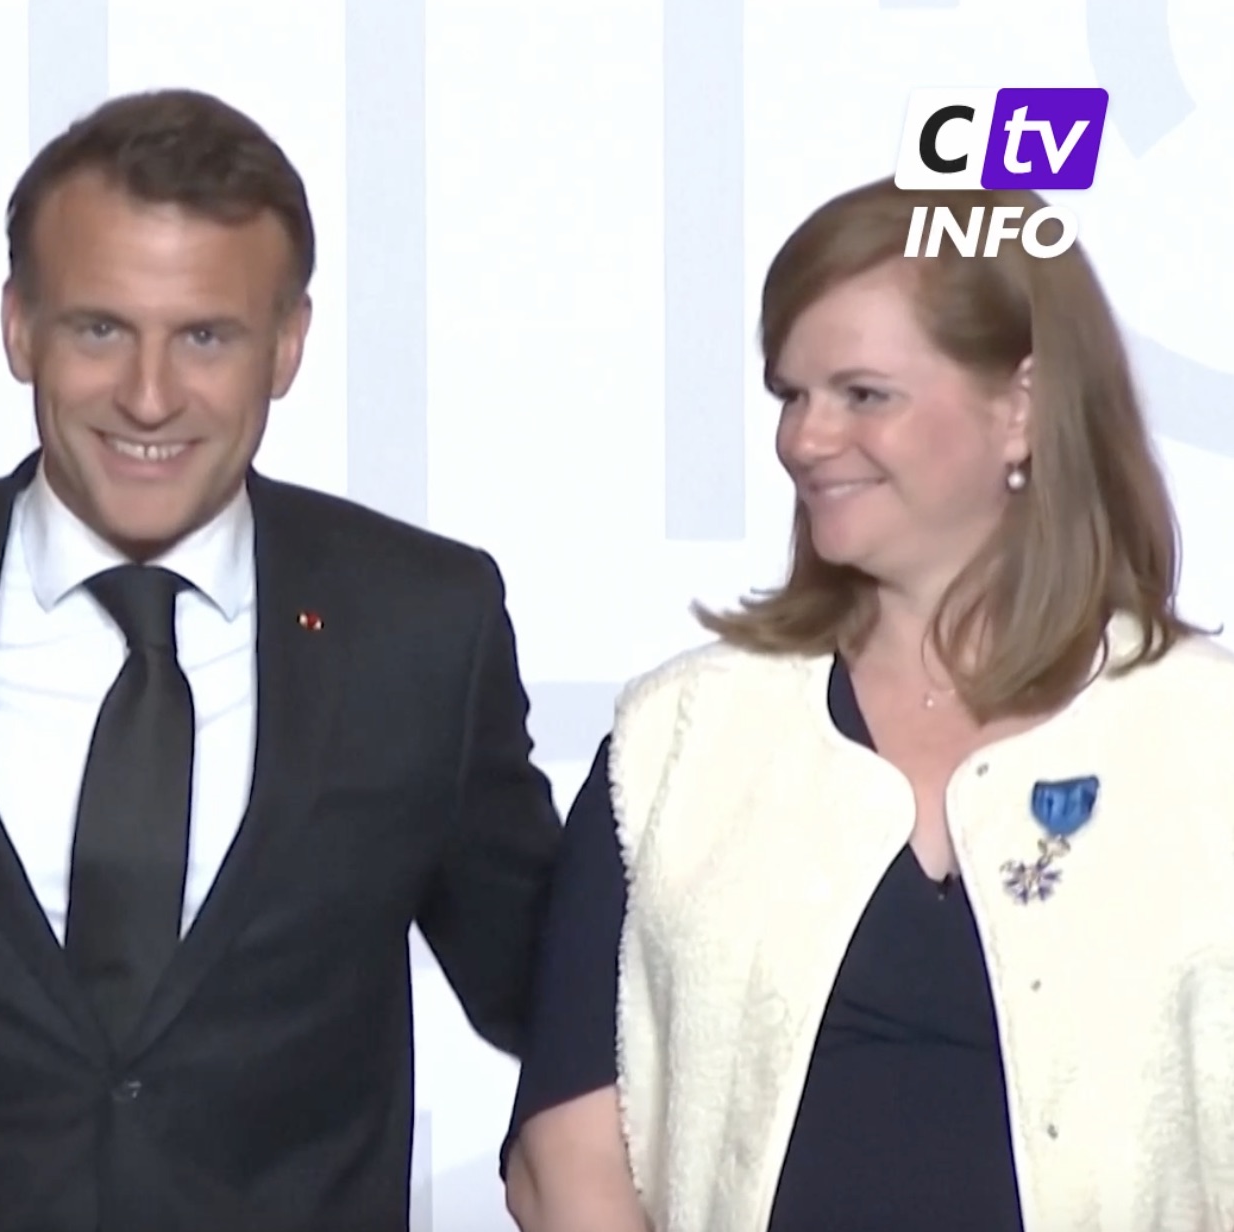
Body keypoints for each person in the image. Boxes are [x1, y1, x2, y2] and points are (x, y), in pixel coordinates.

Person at [0, 87, 563, 1231]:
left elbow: (563, 1003)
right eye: (100, 329)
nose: (148, 394)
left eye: (205, 336)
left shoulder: (421, 627)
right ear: (19, 326)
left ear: (288, 345)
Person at [502, 178, 1234, 1232]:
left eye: (862, 394)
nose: (806, 439)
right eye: (791, 395)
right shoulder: (681, 740)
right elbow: (566, 1154)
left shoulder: (1205, 740)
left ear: (1022, 408)